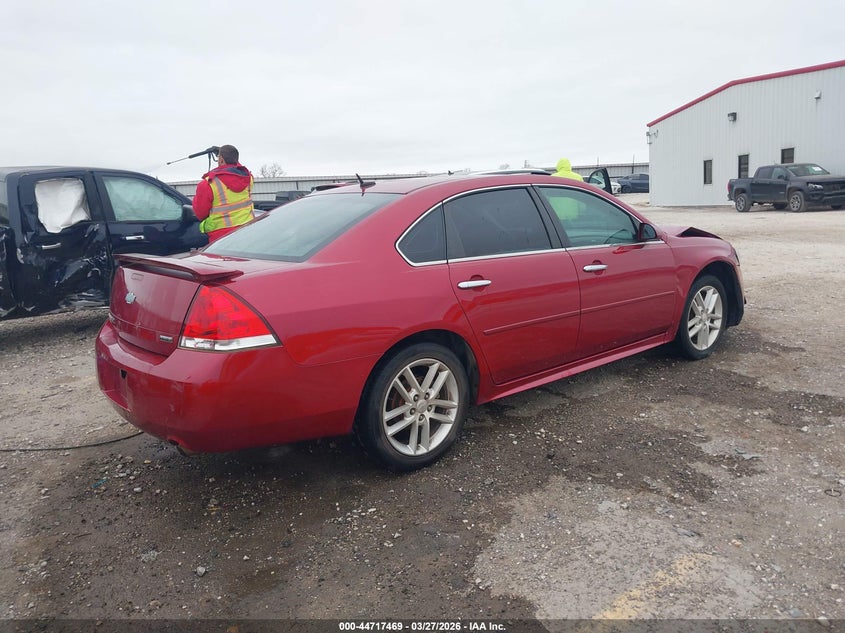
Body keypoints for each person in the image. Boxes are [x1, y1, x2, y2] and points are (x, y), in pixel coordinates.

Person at [192, 144, 255, 243]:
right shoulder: (248, 178)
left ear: (221, 160)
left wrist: (223, 154)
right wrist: (226, 154)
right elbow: (235, 166)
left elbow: (200, 214)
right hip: (247, 231)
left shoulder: (208, 184)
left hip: (221, 239)